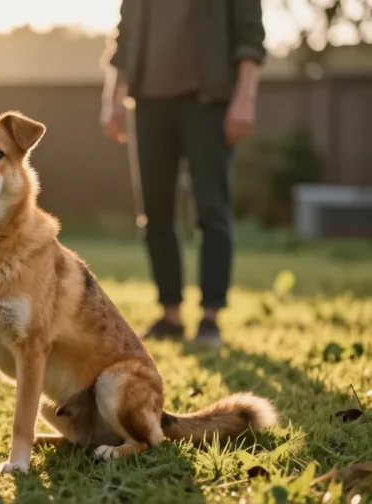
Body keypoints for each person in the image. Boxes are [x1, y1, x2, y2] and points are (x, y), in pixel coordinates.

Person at [99, 0, 265, 346]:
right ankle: (171, 315)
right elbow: (124, 35)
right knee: (154, 212)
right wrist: (112, 96)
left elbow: (250, 36)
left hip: (209, 101)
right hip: (147, 102)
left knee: (211, 210)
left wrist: (245, 96)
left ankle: (210, 317)